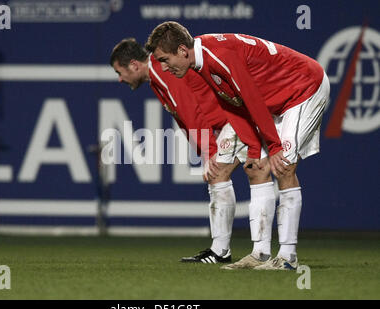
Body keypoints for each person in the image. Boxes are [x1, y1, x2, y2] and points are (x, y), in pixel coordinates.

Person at [146, 21, 330, 270]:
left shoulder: (218, 55)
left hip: (304, 87)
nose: (164, 67)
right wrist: (255, 149)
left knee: (284, 166)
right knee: (255, 168)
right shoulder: (201, 59)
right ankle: (260, 253)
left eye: (165, 59)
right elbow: (232, 104)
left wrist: (274, 147)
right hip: (277, 100)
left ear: (182, 50)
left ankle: (287, 257)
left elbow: (250, 97)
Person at [110, 38, 276, 265]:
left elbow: (190, 112)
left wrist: (209, 152)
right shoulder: (157, 77)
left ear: (134, 65)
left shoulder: (161, 70)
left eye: (120, 72)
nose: (120, 79)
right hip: (235, 116)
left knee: (219, 174)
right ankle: (259, 251)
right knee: (257, 171)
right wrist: (205, 150)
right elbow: (185, 119)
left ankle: (222, 251)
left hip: (236, 117)